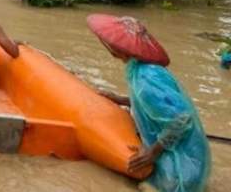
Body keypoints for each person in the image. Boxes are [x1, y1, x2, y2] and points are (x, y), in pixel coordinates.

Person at [90, 15, 211, 192]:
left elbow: (181, 119)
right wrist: (120, 99)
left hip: (182, 168)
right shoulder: (141, 67)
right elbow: (153, 102)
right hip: (190, 152)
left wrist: (152, 152)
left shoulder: (146, 78)